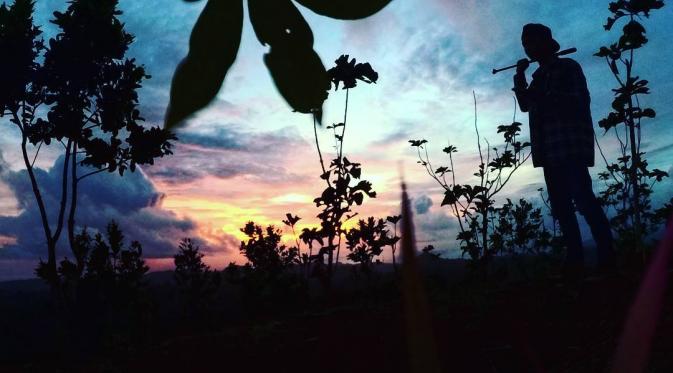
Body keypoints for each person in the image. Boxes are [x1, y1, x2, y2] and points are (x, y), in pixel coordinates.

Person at [512, 23, 615, 275]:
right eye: (526, 44)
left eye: (533, 42)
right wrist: (519, 76)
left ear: (546, 44)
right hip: (548, 151)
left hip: (569, 146)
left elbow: (576, 101)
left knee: (584, 201)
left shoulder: (568, 67)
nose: (528, 47)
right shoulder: (536, 78)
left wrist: (543, 96)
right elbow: (526, 105)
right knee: (562, 207)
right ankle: (575, 262)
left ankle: (608, 260)